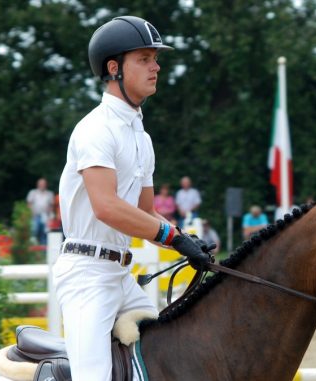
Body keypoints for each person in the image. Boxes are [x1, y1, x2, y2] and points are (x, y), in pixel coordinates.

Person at [54, 16, 211, 381]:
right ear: (115, 68)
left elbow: (145, 213)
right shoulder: (94, 129)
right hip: (86, 276)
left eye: (155, 58)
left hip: (121, 276)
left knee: (172, 355)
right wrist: (171, 237)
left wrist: (184, 240)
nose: (156, 66)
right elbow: (107, 207)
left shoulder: (142, 138)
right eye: (144, 58)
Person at [26, 177, 54, 245]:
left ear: (46, 185)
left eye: (43, 184)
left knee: (44, 233)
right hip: (35, 215)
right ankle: (34, 245)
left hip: (46, 216)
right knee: (34, 231)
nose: (42, 185)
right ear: (38, 184)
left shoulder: (50, 194)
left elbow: (51, 206)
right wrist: (30, 213)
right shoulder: (33, 192)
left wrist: (50, 217)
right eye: (41, 184)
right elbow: (29, 204)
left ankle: (43, 250)